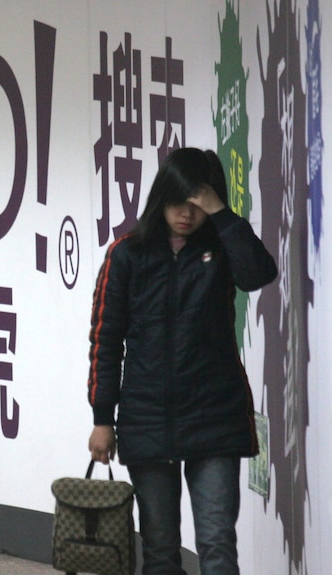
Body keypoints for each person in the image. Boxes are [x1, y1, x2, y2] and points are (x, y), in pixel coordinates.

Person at [86, 147, 278, 575]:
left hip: (214, 417)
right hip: (146, 419)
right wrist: (102, 418)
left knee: (216, 544)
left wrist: (221, 213)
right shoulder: (127, 254)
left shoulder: (223, 248)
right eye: (179, 201)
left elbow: (258, 273)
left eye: (198, 205)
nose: (187, 214)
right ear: (161, 197)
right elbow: (106, 339)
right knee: (159, 549)